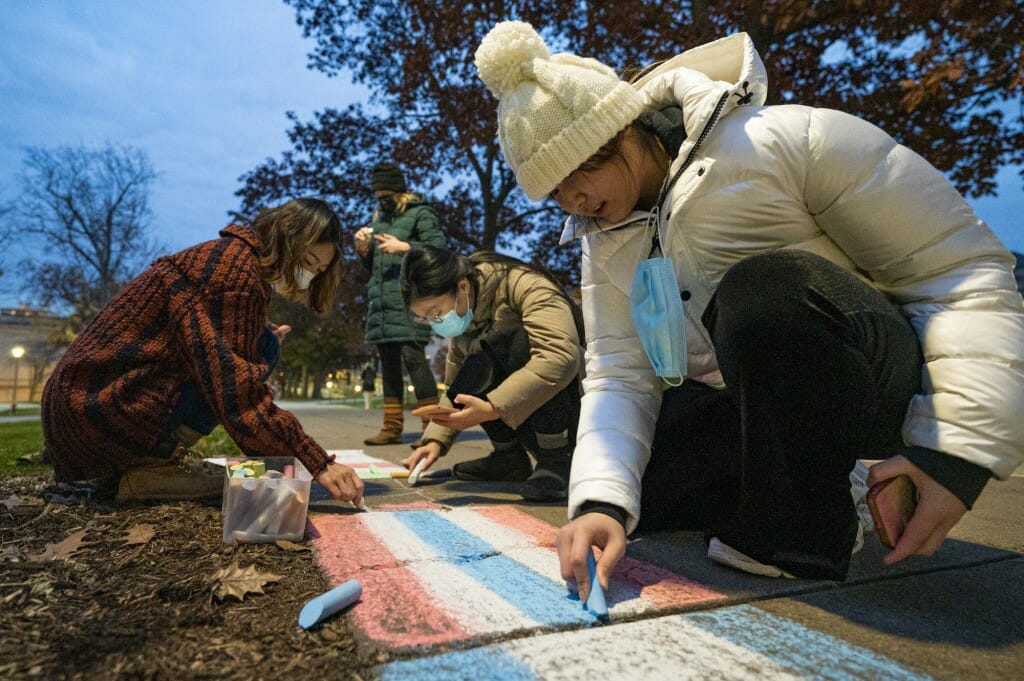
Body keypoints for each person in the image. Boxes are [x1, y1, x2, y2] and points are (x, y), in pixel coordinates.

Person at [473, 22, 1024, 591]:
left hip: (868, 375)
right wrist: (600, 505)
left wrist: (956, 455)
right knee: (644, 491)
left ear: (621, 128)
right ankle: (820, 482)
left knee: (762, 291)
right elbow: (621, 376)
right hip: (753, 399)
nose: (575, 201)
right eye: (555, 193)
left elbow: (959, 273)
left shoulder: (785, 140)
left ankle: (805, 527)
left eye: (578, 171)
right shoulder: (604, 240)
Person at [42, 198, 365, 505]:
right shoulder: (235, 274)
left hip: (88, 407)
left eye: (318, 270)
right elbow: (236, 392)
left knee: (264, 343)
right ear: (285, 238)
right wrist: (317, 462)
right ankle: (150, 466)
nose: (308, 277)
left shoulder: (231, 259)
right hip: (99, 414)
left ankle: (150, 459)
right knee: (261, 350)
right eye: (307, 262)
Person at [400, 245, 584, 501]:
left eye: (436, 312)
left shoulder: (525, 285)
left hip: (577, 409)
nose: (436, 323)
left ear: (462, 286)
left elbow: (559, 358)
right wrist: (434, 441)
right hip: (527, 415)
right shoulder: (466, 318)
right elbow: (456, 387)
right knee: (477, 363)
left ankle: (556, 460)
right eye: (426, 319)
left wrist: (492, 408)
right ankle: (508, 458)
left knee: (513, 339)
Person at [354, 161, 446, 445]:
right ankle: (391, 427)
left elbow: (439, 250)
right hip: (382, 304)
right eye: (377, 194)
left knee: (415, 360)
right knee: (389, 366)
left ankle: (432, 428)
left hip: (411, 300)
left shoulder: (421, 213)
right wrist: (363, 250)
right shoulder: (379, 218)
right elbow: (374, 266)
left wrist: (406, 247)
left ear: (398, 190)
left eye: (386, 193)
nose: (381, 198)